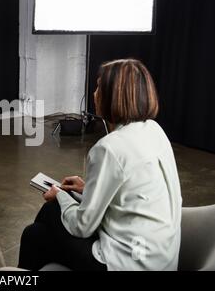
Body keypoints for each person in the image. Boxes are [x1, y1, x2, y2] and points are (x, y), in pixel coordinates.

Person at [18, 59, 182, 271]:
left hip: (127, 263)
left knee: (51, 210)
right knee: (34, 234)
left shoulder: (109, 148)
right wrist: (89, 189)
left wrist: (59, 195)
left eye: (98, 87)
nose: (94, 94)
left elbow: (82, 226)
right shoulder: (154, 130)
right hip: (161, 258)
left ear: (113, 96)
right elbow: (132, 193)